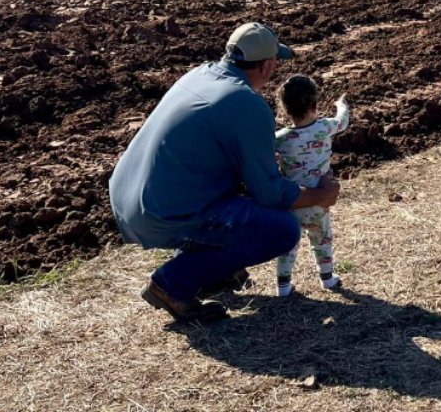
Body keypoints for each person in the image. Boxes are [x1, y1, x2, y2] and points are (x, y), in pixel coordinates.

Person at [108, 22, 340, 323]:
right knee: (282, 229)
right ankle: (172, 283)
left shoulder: (200, 74)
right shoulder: (247, 104)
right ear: (267, 65)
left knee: (239, 201)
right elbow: (270, 193)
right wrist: (319, 195)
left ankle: (214, 270)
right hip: (161, 213)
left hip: (127, 197)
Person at [273, 75, 350, 297]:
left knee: (288, 244)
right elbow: (343, 121)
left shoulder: (279, 138)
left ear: (286, 110)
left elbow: (262, 150)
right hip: (319, 200)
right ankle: (327, 279)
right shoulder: (325, 128)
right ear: (315, 105)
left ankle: (283, 286)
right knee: (322, 240)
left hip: (293, 200)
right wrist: (341, 105)